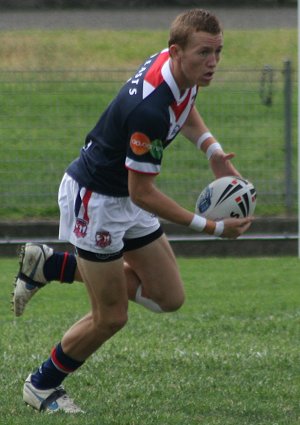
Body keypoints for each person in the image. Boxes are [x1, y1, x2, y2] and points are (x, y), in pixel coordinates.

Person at [13, 8, 253, 414]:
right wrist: (212, 227)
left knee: (168, 296)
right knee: (111, 316)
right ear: (177, 52)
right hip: (97, 203)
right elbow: (142, 192)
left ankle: (50, 267)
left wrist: (212, 150)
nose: (212, 63)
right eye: (203, 54)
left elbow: (186, 106)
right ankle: (42, 384)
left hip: (122, 197)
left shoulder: (179, 70)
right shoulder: (149, 111)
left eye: (218, 52)